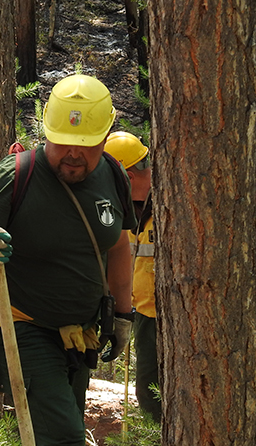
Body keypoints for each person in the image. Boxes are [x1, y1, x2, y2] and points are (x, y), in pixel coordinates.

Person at [0, 74, 137, 446]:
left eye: (85, 145)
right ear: (46, 131)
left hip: (79, 335)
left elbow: (118, 245)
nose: (73, 154)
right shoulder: (16, 176)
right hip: (20, 327)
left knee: (56, 436)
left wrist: (122, 315)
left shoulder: (112, 174)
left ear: (104, 138)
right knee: (62, 440)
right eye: (62, 141)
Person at [104, 131, 160, 422]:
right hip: (143, 314)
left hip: (168, 317)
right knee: (148, 391)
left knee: (157, 391)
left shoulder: (168, 206)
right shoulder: (122, 211)